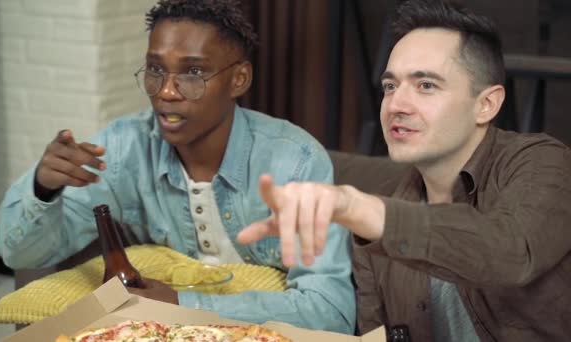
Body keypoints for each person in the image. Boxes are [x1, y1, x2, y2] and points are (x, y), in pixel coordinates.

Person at [0, 0, 355, 334]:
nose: (166, 91)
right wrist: (43, 189)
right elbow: (20, 254)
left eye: (193, 72)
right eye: (155, 70)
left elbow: (331, 311)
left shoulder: (295, 161)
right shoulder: (125, 147)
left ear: (238, 79)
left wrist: (183, 304)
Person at [238, 0, 571, 340]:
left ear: (486, 104)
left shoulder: (542, 163)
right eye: (390, 86)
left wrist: (363, 210)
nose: (396, 105)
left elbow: (512, 251)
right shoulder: (383, 210)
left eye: (426, 85)